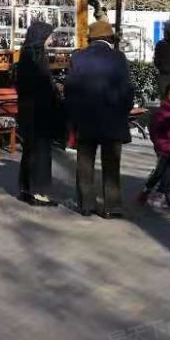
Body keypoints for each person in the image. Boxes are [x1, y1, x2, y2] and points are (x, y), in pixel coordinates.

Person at [63, 20, 133, 218]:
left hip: (86, 118)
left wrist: (74, 115)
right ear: (110, 38)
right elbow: (127, 89)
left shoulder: (78, 57)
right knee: (111, 164)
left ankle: (87, 204)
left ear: (90, 38)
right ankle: (112, 206)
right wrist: (123, 109)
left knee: (85, 163)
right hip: (113, 117)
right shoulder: (118, 57)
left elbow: (70, 89)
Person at [14, 19, 61, 206]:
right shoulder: (36, 56)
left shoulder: (26, 54)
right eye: (48, 36)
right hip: (39, 112)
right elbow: (42, 84)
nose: (50, 39)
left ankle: (26, 189)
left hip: (28, 111)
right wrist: (55, 89)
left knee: (29, 150)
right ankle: (38, 192)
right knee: (40, 153)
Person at [138, 83, 170, 206]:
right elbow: (155, 132)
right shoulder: (161, 113)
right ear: (166, 96)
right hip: (165, 146)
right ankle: (147, 188)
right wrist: (162, 145)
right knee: (161, 170)